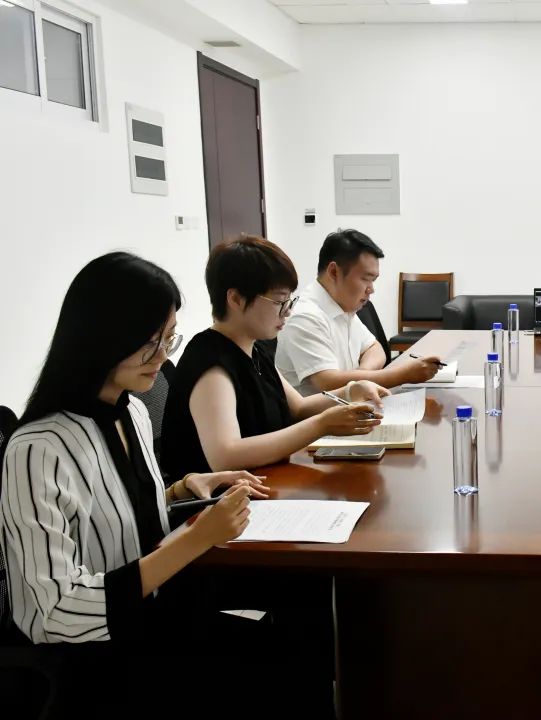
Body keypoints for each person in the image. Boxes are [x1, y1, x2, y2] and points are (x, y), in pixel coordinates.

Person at [0, 252, 272, 716]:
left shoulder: (132, 412)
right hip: (98, 659)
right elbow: (57, 611)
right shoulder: (38, 447)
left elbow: (109, 517)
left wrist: (180, 489)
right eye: (150, 343)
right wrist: (197, 538)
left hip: (156, 620)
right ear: (103, 339)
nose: (164, 357)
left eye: (168, 338)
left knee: (294, 638)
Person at [161, 235, 386, 479]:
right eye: (279, 302)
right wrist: (322, 425)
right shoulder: (209, 362)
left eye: (289, 301)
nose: (287, 312)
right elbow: (226, 456)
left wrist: (351, 391)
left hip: (266, 482)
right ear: (236, 299)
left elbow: (298, 408)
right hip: (220, 499)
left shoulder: (255, 348)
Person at [276, 229, 443, 395]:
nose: (371, 289)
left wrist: (363, 376)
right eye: (366, 279)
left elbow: (374, 348)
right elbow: (327, 382)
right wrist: (403, 375)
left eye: (373, 280)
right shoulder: (305, 316)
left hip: (353, 406)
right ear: (334, 272)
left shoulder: (343, 305)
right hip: (325, 411)